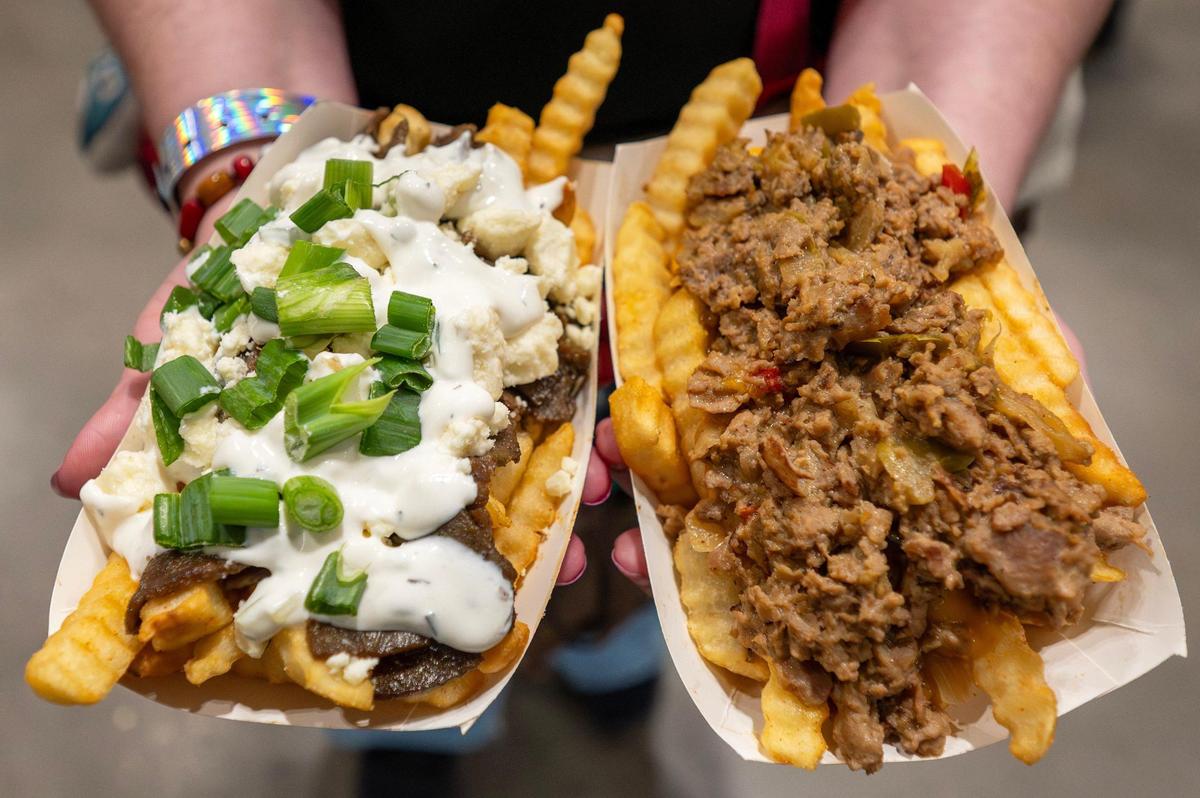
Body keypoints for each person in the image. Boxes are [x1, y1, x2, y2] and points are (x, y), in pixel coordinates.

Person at [58, 0, 1113, 591]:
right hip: (376, 119)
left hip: (790, 132)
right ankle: (435, 704)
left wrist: (908, 195)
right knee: (537, 518)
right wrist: (252, 162)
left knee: (677, 514)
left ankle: (616, 648)